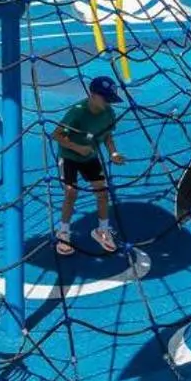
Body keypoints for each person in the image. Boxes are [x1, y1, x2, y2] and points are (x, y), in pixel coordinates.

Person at [54, 76, 126, 255]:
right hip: (69, 157)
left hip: (90, 158)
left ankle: (102, 229)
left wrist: (113, 153)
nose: (109, 102)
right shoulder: (77, 112)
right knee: (71, 192)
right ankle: (63, 231)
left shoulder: (109, 113)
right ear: (93, 95)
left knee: (102, 192)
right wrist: (78, 148)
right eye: (105, 98)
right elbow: (57, 135)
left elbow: (107, 135)